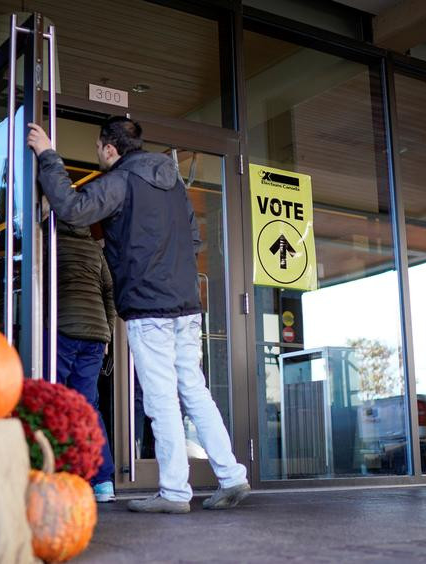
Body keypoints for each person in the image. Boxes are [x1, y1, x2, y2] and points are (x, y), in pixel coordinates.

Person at [27, 116, 250, 514]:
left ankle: (174, 493)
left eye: (98, 149)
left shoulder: (121, 181)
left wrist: (48, 156)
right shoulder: (173, 183)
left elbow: (74, 209)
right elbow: (193, 237)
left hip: (150, 308)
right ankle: (231, 475)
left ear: (110, 148)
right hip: (185, 304)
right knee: (194, 390)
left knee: (162, 398)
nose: (98, 155)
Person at [53, 219, 117, 503]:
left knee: (53, 402)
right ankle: (103, 482)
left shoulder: (52, 242)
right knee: (88, 406)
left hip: (64, 329)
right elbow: (110, 292)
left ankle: (53, 475)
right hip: (95, 335)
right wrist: (108, 333)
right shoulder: (94, 249)